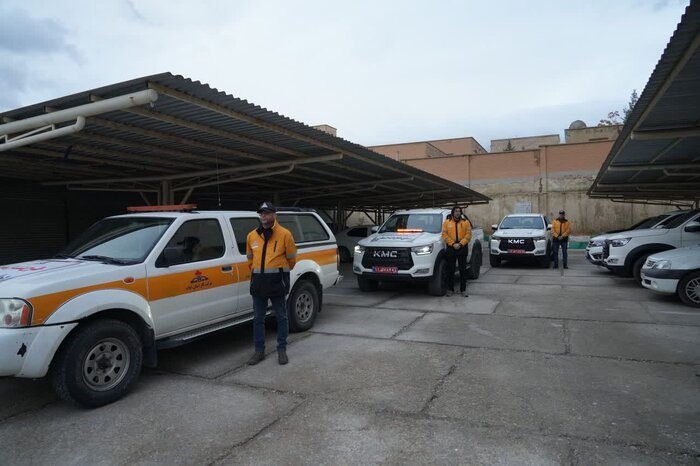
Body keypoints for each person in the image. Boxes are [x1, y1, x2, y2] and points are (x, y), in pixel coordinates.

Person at [246, 202, 297, 365]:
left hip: (277, 283)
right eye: (261, 213)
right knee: (258, 319)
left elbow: (291, 259)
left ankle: (282, 349)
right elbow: (250, 259)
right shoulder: (252, 236)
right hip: (258, 284)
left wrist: (279, 273)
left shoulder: (285, 234)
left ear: (274, 215)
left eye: (267, 213)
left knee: (281, 317)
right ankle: (259, 351)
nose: (263, 216)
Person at [441, 205, 472, 297]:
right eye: (456, 211)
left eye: (459, 211)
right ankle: (450, 289)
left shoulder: (466, 222)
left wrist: (461, 244)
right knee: (450, 270)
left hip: (462, 247)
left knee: (463, 270)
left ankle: (463, 290)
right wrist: (453, 244)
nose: (457, 212)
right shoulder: (447, 222)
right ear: (453, 212)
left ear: (461, 213)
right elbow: (444, 235)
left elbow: (468, 235)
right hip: (451, 247)